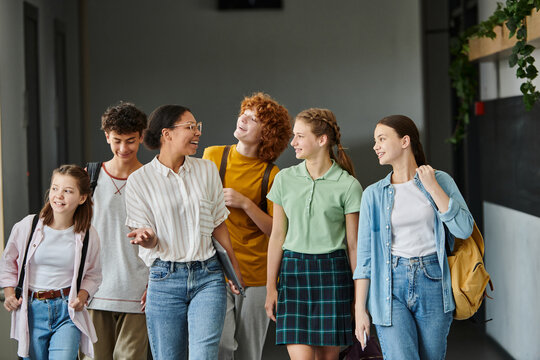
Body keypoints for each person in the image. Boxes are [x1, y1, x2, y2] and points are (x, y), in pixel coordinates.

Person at [124, 104, 243, 360]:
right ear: (166, 134)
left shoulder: (206, 170)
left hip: (208, 276)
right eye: (190, 127)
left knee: (204, 356)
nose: (197, 133)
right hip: (165, 279)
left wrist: (232, 268)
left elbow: (218, 223)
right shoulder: (139, 181)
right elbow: (146, 234)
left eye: (197, 127)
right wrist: (147, 237)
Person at [353, 115, 474, 359]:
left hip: (434, 281)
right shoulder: (373, 195)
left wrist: (433, 187)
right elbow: (364, 258)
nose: (375, 146)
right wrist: (360, 310)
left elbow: (464, 229)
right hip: (389, 285)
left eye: (382, 139)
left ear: (405, 140)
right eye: (375, 140)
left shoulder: (440, 181)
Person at [265, 108, 362, 360]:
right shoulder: (284, 179)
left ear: (322, 140)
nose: (292, 142)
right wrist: (270, 288)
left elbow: (354, 245)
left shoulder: (348, 185)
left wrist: (357, 296)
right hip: (293, 271)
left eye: (299, 136)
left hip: (334, 274)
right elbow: (277, 236)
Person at [203, 92, 292, 360]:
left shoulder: (272, 174)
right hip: (217, 270)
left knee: (249, 352)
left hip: (257, 275)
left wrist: (245, 203)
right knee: (220, 346)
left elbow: (276, 230)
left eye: (253, 119)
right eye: (245, 112)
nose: (243, 118)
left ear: (267, 135)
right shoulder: (213, 155)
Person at [0, 164, 102, 359]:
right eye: (55, 188)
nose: (59, 195)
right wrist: (9, 292)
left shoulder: (88, 235)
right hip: (31, 309)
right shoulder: (27, 226)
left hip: (67, 311)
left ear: (82, 198)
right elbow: (8, 263)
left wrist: (82, 296)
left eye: (67, 191)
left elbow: (93, 274)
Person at [82, 102, 149, 360]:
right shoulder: (88, 177)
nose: (123, 148)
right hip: (95, 292)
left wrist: (154, 283)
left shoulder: (152, 179)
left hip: (138, 292)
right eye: (117, 140)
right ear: (107, 136)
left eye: (131, 141)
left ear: (142, 136)